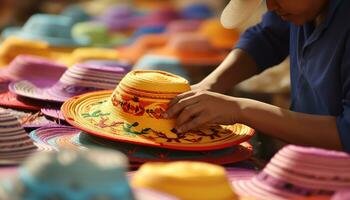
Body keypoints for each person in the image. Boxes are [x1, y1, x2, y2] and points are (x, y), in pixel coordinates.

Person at [165, 0, 350, 153]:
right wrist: (210, 84)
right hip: (308, 159)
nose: (270, 6)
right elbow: (267, 37)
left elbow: (346, 132)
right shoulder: (301, 7)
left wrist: (240, 108)